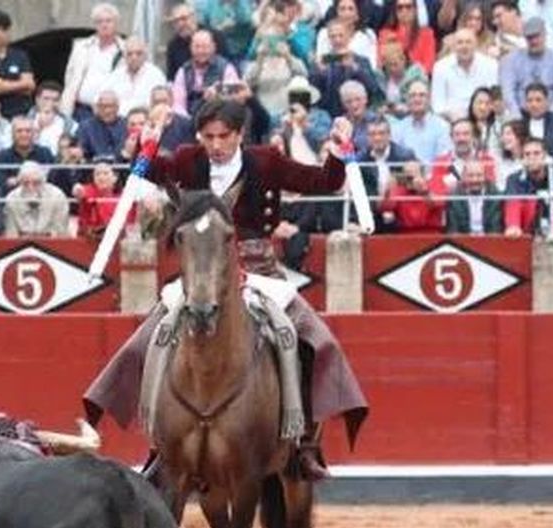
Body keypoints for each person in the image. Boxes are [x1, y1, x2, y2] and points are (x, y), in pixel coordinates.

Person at [83, 98, 368, 480]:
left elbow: (323, 182)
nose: (215, 145)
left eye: (224, 136)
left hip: (258, 268)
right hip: (202, 274)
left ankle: (304, 443)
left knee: (315, 339)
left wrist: (339, 152)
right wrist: (144, 142)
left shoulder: (265, 161)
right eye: (209, 136)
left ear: (240, 135)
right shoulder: (189, 159)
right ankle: (160, 443)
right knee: (150, 337)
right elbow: (151, 169)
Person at [3, 160, 69, 236]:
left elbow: (60, 230)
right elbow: (11, 233)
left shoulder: (57, 196)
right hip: (21, 243)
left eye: (36, 183)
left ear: (44, 182)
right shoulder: (12, 199)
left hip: (51, 242)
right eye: (25, 183)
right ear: (20, 183)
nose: (31, 188)